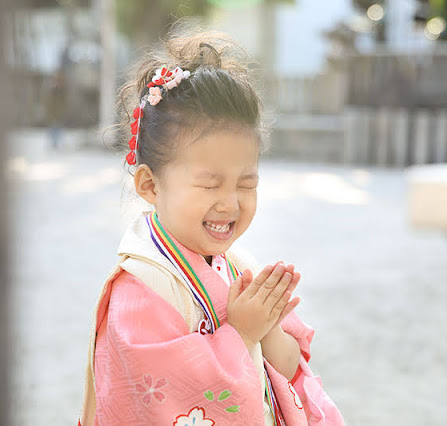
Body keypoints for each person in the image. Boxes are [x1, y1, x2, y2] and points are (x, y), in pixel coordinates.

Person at [77, 24, 345, 426]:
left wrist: (266, 327)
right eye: (209, 183)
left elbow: (290, 372)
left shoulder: (240, 265)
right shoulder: (140, 289)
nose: (230, 202)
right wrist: (239, 333)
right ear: (150, 184)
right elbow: (154, 401)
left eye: (246, 184)